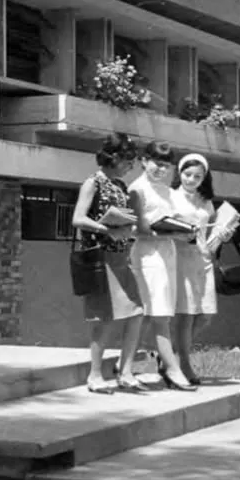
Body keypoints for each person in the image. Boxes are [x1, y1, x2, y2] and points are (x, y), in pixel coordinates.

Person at [71, 133, 146, 394]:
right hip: (102, 258)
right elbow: (78, 219)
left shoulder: (121, 187)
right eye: (128, 161)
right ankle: (94, 375)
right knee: (105, 319)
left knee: (136, 313)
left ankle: (125, 371)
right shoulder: (93, 183)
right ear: (113, 158)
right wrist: (106, 229)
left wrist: (129, 228)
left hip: (122, 257)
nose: (130, 167)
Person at [127, 141, 196, 391]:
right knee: (158, 314)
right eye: (156, 163)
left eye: (166, 166)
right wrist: (170, 234)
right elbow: (134, 229)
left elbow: (177, 220)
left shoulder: (166, 191)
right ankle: (172, 368)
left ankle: (124, 364)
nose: (160, 170)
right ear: (144, 161)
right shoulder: (137, 189)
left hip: (167, 255)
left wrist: (186, 231)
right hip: (147, 256)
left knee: (156, 311)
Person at [170, 153, 238, 385]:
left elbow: (210, 233)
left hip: (204, 258)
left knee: (205, 314)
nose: (191, 180)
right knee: (186, 314)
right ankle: (184, 364)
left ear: (204, 178)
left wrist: (223, 235)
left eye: (197, 176)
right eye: (187, 174)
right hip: (181, 257)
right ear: (179, 173)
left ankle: (168, 352)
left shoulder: (206, 200)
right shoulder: (170, 197)